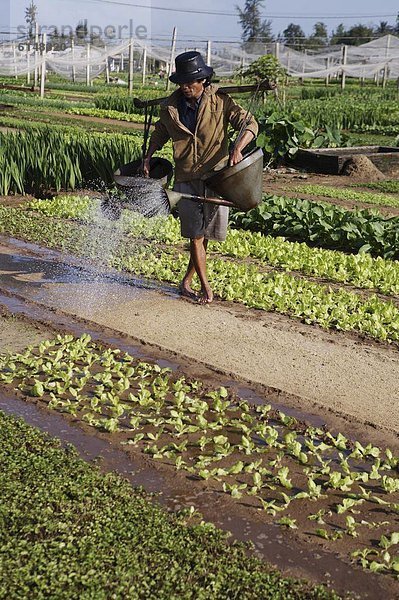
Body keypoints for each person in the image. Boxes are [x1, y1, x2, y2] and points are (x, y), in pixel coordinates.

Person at [143, 51, 259, 304]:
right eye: (181, 83)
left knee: (205, 235)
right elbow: (159, 134)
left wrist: (238, 148)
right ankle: (206, 288)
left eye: (189, 83)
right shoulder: (170, 108)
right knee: (195, 234)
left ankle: (186, 280)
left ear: (202, 81)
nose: (185, 88)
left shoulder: (221, 101)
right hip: (186, 176)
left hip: (216, 176)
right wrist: (148, 157)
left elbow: (249, 123)